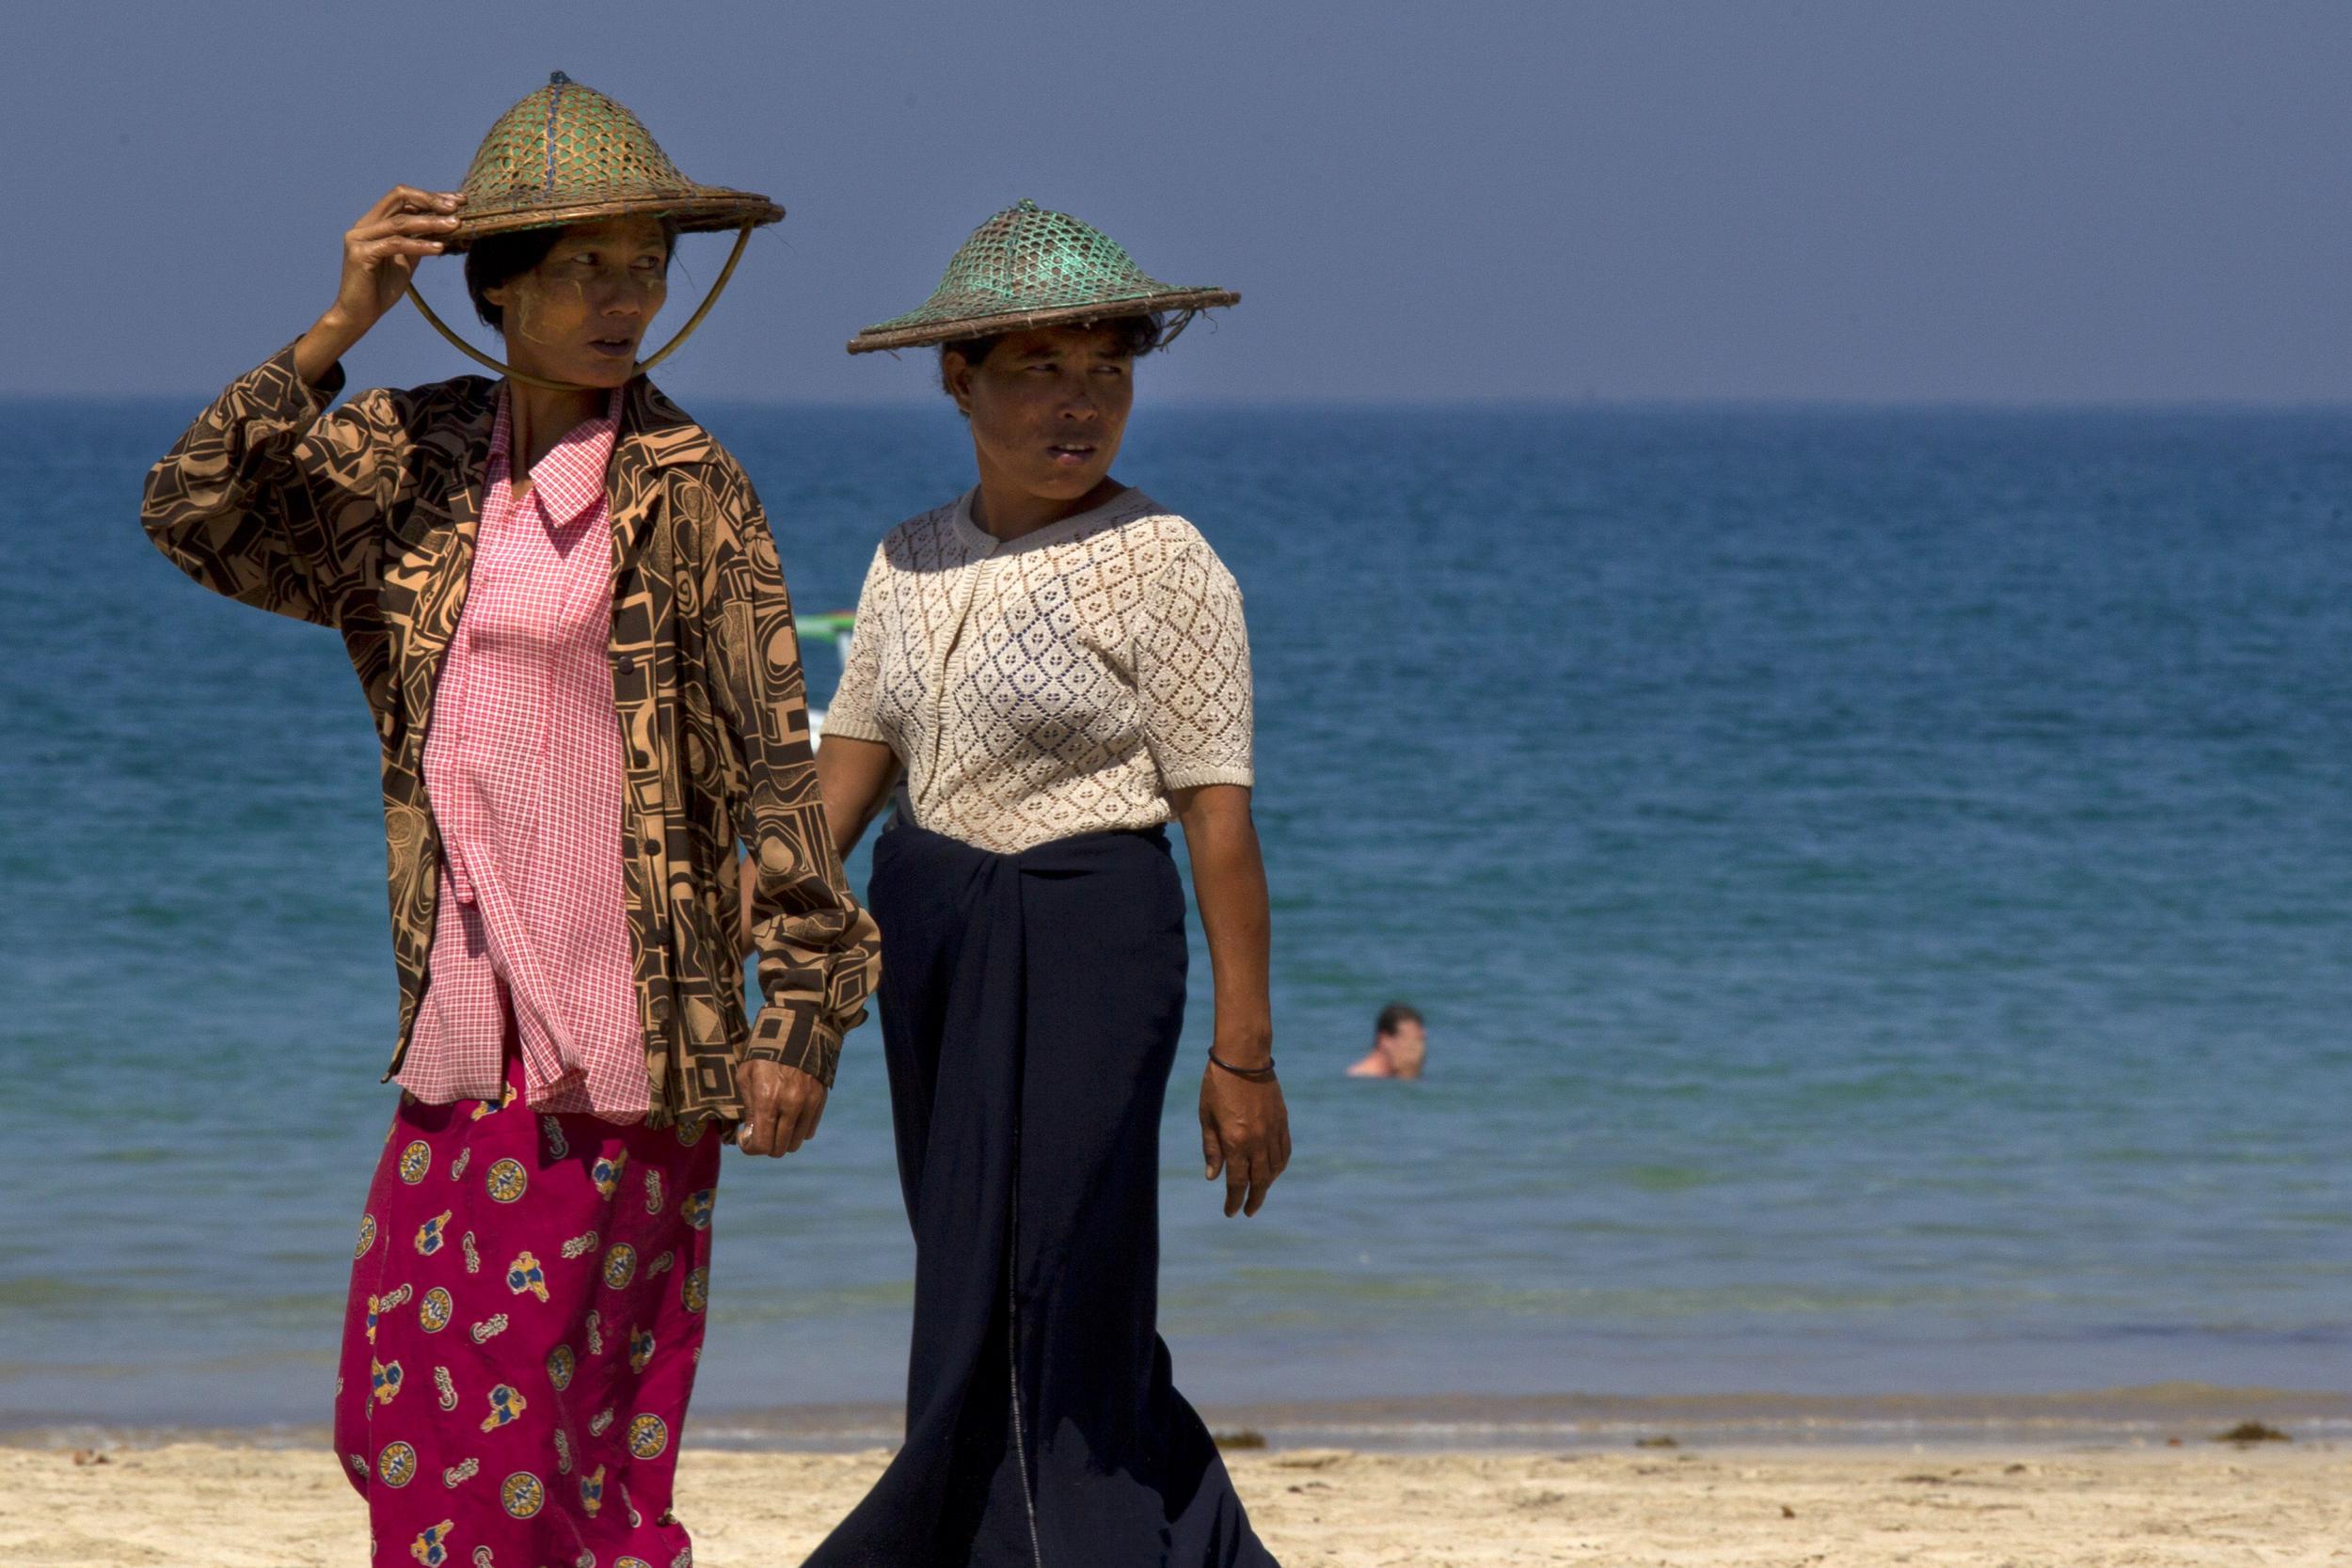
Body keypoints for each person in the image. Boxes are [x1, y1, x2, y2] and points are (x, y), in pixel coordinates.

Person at [138, 75, 876, 1568]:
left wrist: (801, 1013)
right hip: (462, 1028)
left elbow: (775, 766)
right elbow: (192, 515)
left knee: (556, 1439)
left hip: (628, 1035)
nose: (626, 298)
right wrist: (336, 330)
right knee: (394, 1415)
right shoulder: (406, 458)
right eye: (585, 268)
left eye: (646, 264)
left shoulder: (691, 488)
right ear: (497, 289)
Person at [800, 200, 1287, 1566]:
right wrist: (730, 942)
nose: (1081, 405)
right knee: (966, 1274)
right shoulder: (908, 554)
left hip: (1091, 937)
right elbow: (845, 777)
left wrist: (1242, 1052)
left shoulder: (1168, 561)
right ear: (959, 378)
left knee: (1060, 1269)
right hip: (934, 940)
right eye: (1038, 371)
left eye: (1109, 371)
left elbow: (1218, 820)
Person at [1347, 1003, 1428, 1080]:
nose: (1420, 1051)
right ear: (1385, 1040)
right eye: (1412, 1042)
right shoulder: (1361, 1079)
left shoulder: (1390, 1078)